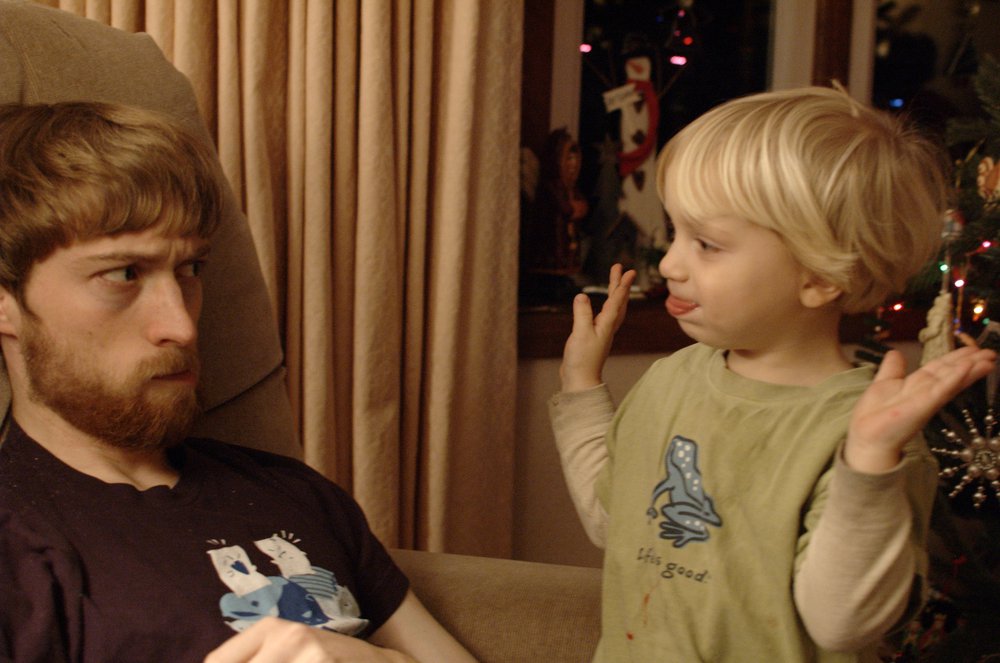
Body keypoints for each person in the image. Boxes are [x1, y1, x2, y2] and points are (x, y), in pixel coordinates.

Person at [0, 101, 475, 663]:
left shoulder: (292, 491)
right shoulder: (18, 543)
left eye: (190, 269)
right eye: (123, 274)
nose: (182, 326)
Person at [549, 86, 998, 662]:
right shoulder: (670, 380)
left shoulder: (866, 435)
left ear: (819, 276)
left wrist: (867, 463)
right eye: (675, 231)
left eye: (706, 244)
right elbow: (615, 524)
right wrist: (581, 388)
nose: (670, 263)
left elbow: (840, 624)